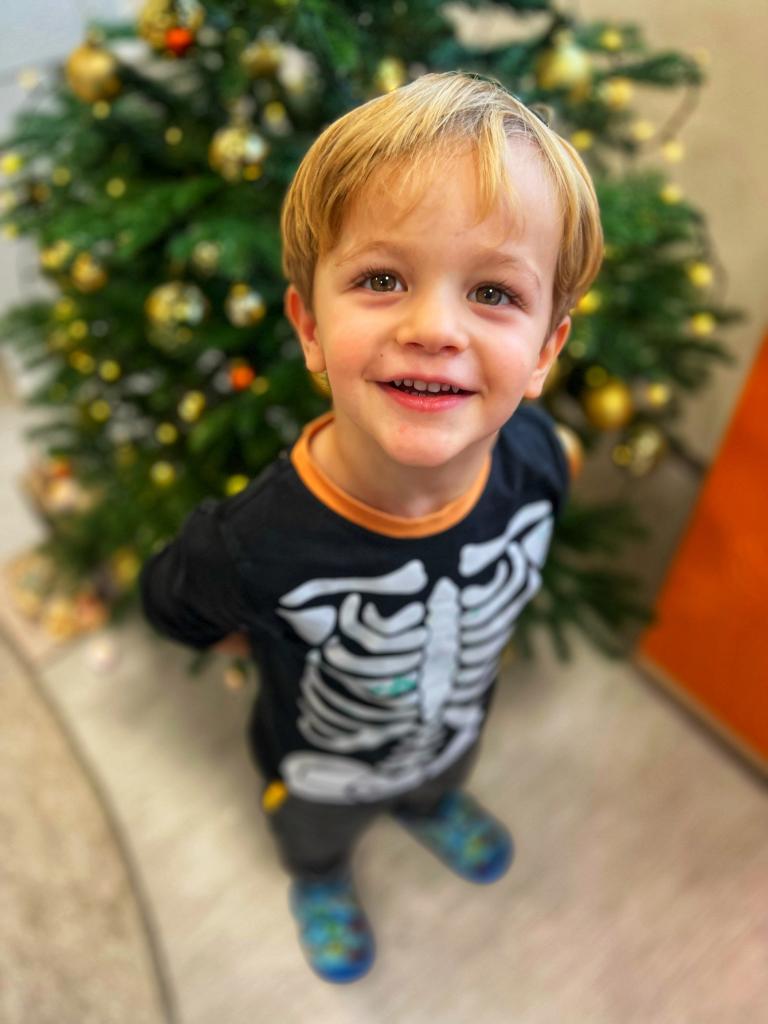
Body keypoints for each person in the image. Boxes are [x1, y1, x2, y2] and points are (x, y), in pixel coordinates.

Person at [140, 71, 603, 984]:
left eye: (495, 293)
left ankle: (430, 803)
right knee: (311, 828)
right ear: (310, 327)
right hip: (319, 763)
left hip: (457, 716)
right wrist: (253, 629)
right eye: (382, 279)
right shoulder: (251, 544)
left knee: (445, 766)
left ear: (546, 351)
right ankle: (318, 877)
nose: (434, 328)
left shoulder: (543, 458)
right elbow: (171, 603)